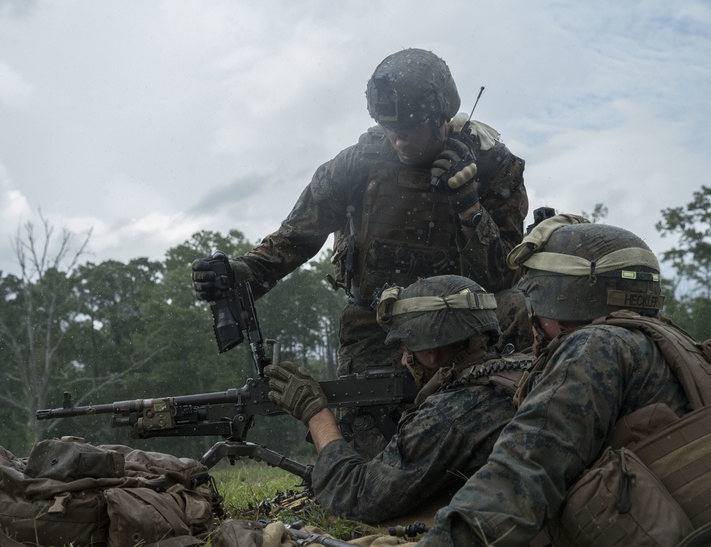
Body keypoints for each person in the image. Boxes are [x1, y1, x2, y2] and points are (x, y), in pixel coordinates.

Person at [361, 218, 711, 547]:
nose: (532, 322)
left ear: (567, 299)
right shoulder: (676, 343)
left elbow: (526, 468)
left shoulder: (594, 346)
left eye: (538, 305)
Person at [193, 48, 529, 457]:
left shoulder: (494, 167)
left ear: (442, 118)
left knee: (473, 449)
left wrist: (469, 206)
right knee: (370, 464)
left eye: (410, 128)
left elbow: (507, 275)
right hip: (377, 327)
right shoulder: (358, 165)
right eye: (389, 128)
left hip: (466, 330)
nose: (399, 140)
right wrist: (242, 271)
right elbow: (297, 236)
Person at [263, 275, 531, 524]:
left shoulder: (450, 414)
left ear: (432, 351)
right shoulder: (523, 370)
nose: (404, 360)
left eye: (405, 348)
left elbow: (355, 496)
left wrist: (316, 414)